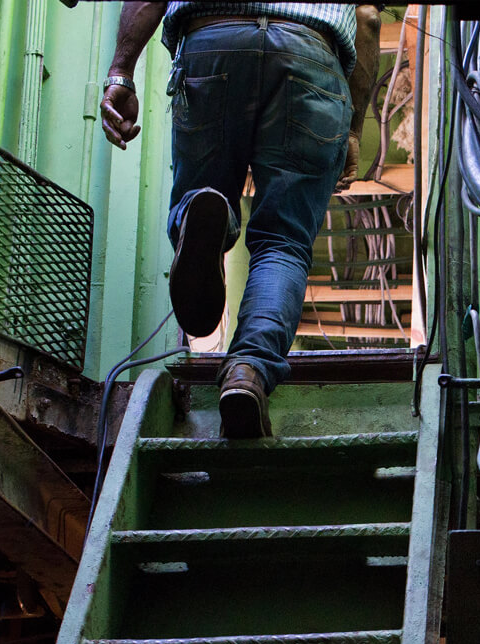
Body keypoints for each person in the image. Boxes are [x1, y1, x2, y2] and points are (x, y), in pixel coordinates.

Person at [98, 3, 374, 439]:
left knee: (201, 190)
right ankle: (247, 370)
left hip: (213, 40)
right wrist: (354, 129)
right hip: (311, 57)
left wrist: (120, 74)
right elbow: (368, 18)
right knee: (283, 243)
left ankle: (204, 212)